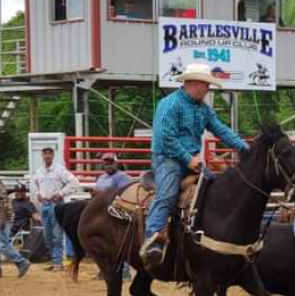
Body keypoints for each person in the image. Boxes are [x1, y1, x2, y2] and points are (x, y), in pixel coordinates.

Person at [140, 63, 249, 268]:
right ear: (191, 83)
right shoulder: (170, 104)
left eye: (208, 85)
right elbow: (165, 137)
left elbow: (222, 130)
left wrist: (245, 149)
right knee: (167, 193)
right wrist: (188, 159)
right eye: (205, 84)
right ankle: (153, 240)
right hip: (168, 158)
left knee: (214, 188)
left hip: (192, 160)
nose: (208, 89)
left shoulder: (203, 110)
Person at [30, 147, 80, 272]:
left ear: (53, 155)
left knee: (57, 235)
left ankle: (57, 262)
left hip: (56, 204)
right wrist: (37, 194)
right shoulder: (39, 171)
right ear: (42, 156)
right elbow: (33, 184)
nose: (47, 156)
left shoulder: (59, 170)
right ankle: (54, 260)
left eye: (49, 154)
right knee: (47, 236)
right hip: (45, 205)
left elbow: (74, 182)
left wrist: (61, 193)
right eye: (45, 154)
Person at [0, 162, 31, 278]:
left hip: (1, 216)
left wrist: (2, 218)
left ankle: (22, 262)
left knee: (2, 244)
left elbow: (4, 199)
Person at [94, 152, 133, 280]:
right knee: (104, 244)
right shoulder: (101, 178)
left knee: (120, 242)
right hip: (103, 215)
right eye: (106, 163)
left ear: (116, 163)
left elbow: (125, 194)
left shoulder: (123, 177)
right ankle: (105, 270)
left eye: (111, 162)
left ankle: (125, 271)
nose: (108, 165)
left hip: (118, 214)